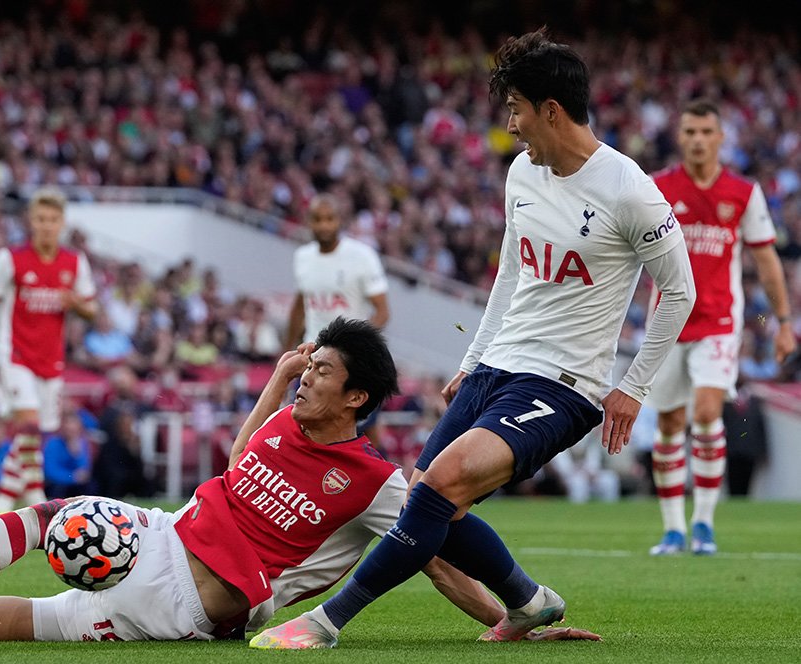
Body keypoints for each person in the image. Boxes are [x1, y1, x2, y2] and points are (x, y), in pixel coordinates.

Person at [250, 27, 696, 649]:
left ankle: (327, 623)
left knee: (438, 484)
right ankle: (531, 603)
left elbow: (680, 291)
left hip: (564, 383)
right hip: (498, 365)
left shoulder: (629, 191)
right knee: (436, 503)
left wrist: (632, 388)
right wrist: (473, 359)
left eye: (514, 108)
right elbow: (510, 276)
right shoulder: (523, 173)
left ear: (550, 110)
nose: (509, 125)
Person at [0, 318, 598, 643]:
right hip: (160, 531)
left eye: (321, 373)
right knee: (12, 565)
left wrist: (505, 623)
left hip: (185, 604)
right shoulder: (286, 421)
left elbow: (435, 556)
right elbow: (238, 462)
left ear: (356, 399)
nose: (306, 378)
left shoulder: (375, 483)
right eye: (307, 367)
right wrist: (277, 379)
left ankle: (532, 607)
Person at [645, 99, 796, 556]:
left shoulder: (742, 193)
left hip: (719, 321)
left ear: (720, 137)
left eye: (705, 132)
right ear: (681, 136)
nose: (696, 140)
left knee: (707, 411)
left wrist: (784, 322)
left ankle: (704, 523)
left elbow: (767, 260)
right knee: (670, 422)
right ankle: (673, 529)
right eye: (689, 131)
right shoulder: (657, 189)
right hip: (666, 323)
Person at [0, 187, 97, 515]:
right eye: (40, 218)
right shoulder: (11, 259)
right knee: (30, 426)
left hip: (51, 360)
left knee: (32, 437)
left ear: (62, 222)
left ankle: (14, 507)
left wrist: (75, 302)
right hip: (15, 354)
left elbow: (91, 309)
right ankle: (21, 509)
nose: (46, 225)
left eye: (52, 219)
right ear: (30, 221)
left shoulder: (74, 263)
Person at [284, 194, 391, 447]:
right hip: (312, 357)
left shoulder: (362, 256)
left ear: (339, 220)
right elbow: (300, 306)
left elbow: (382, 312)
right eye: (318, 219)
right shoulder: (303, 257)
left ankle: (389, 483)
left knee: (364, 437)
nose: (324, 226)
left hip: (350, 363)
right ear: (308, 221)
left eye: (329, 219)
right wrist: (286, 350)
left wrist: (358, 349)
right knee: (302, 431)